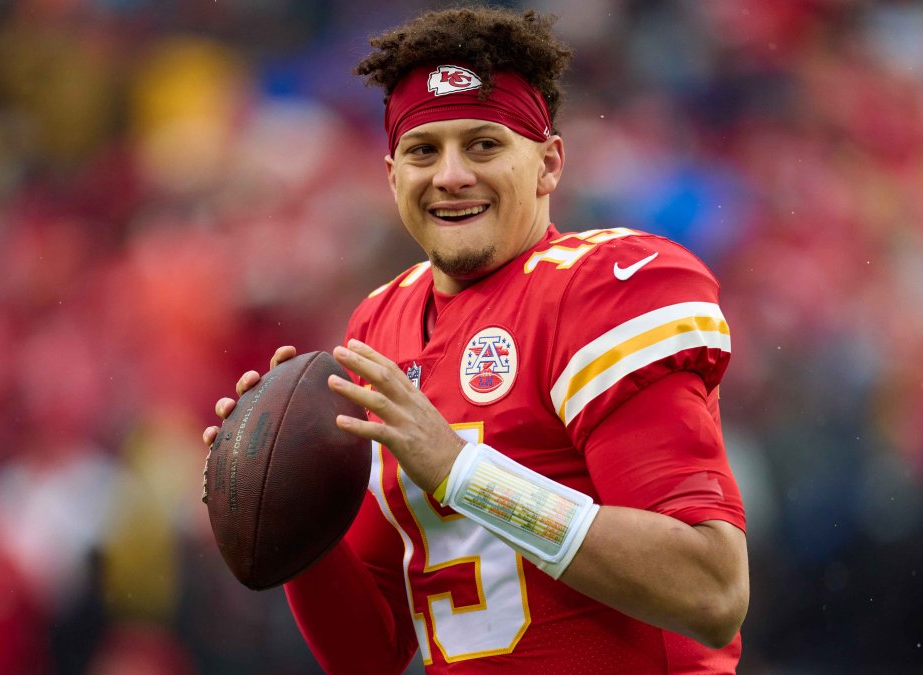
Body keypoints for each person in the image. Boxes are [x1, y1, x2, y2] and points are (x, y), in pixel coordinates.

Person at [203, 7, 749, 673]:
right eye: (423, 150)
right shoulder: (380, 325)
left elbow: (711, 588)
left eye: (484, 144)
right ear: (392, 175)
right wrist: (288, 516)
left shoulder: (605, 289)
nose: (451, 174)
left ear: (549, 164)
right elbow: (374, 651)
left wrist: (463, 472)